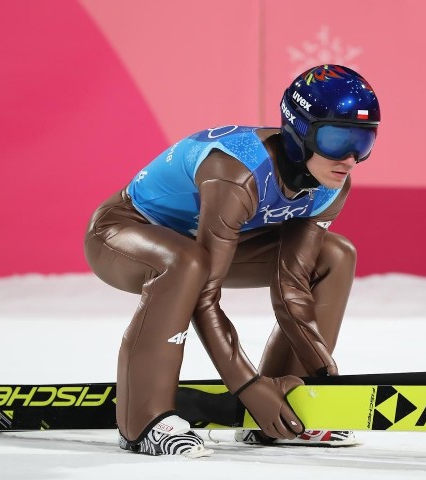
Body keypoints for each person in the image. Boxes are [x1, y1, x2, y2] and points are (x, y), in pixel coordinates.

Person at [83, 64, 380, 457]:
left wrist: (324, 374)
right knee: (186, 263)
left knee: (335, 255)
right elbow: (205, 296)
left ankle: (285, 411)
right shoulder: (237, 174)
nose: (350, 158)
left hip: (203, 245)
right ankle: (143, 421)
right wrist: (247, 385)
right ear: (300, 132)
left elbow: (291, 287)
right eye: (337, 138)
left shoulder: (330, 186)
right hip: (120, 232)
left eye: (363, 141)